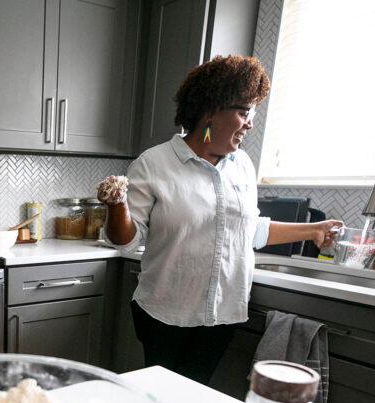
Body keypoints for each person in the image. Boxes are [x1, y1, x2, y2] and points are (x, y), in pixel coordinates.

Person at [103, 55, 342, 384]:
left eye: (252, 113)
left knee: (198, 398)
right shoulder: (154, 164)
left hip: (223, 315)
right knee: (161, 397)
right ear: (212, 109)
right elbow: (127, 239)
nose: (250, 123)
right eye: (244, 111)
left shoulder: (242, 165)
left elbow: (247, 231)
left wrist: (313, 230)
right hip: (165, 312)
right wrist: (117, 205)